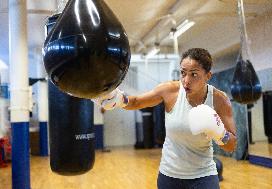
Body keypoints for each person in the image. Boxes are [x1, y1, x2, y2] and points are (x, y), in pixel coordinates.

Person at [94, 48, 237, 189]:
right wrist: (118, 98)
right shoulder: (169, 91)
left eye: (194, 74)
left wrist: (219, 132)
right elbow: (136, 101)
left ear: (208, 76)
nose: (186, 80)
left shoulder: (220, 100)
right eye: (183, 73)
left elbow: (231, 146)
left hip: (204, 176)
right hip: (170, 176)